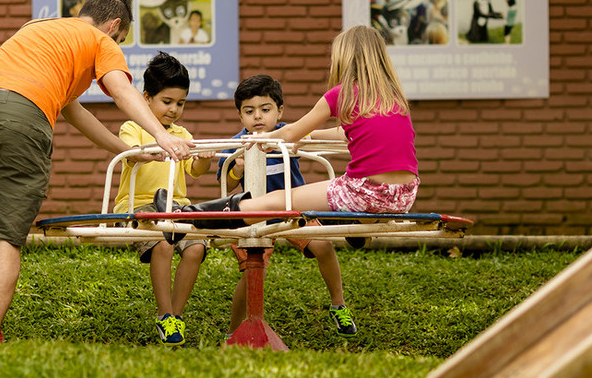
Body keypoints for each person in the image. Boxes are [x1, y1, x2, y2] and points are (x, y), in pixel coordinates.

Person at [0, 0, 192, 345]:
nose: (117, 44)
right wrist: (161, 134)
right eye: (121, 39)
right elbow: (122, 91)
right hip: (22, 116)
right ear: (114, 26)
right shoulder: (99, 41)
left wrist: (125, 150)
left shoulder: (40, 27)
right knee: (7, 237)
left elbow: (74, 112)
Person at [155, 24, 418, 243]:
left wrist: (261, 139)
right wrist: (312, 137)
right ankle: (346, 215)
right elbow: (348, 133)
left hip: (365, 191)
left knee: (277, 201)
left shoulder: (342, 94)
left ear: (344, 58)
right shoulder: (393, 98)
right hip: (404, 194)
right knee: (317, 194)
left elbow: (291, 130)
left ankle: (184, 216)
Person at [215, 75, 356, 337]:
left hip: (292, 210)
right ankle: (234, 331)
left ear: (279, 111)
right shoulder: (239, 143)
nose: (257, 117)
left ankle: (339, 304)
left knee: (323, 246)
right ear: (240, 115)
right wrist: (237, 166)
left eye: (265, 109)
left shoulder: (288, 136)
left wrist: (301, 142)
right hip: (254, 217)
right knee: (251, 270)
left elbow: (309, 141)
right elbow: (227, 182)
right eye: (249, 111)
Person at [113, 52, 214, 347]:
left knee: (195, 248)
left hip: (175, 204)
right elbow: (132, 153)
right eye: (166, 102)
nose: (173, 110)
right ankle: (164, 313)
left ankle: (176, 316)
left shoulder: (182, 133)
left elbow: (194, 170)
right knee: (163, 241)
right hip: (140, 205)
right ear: (146, 98)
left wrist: (204, 159)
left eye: (180, 103)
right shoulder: (133, 127)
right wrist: (152, 150)